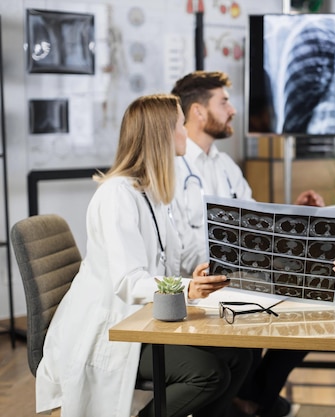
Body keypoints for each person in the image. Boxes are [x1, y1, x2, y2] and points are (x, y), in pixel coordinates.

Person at [35, 94, 252, 417]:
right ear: (164, 134)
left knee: (241, 355)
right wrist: (185, 289)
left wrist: (193, 278)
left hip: (143, 319)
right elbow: (128, 280)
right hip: (111, 331)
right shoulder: (116, 195)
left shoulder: (152, 193)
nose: (185, 131)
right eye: (180, 124)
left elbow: (165, 263)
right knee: (208, 373)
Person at [170, 71, 316, 417]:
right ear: (198, 112)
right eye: (223, 101)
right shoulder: (173, 167)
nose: (233, 110)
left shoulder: (225, 165)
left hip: (239, 272)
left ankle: (251, 400)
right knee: (271, 325)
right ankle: (250, 402)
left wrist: (296, 216)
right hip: (200, 285)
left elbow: (255, 223)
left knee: (309, 314)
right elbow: (181, 249)